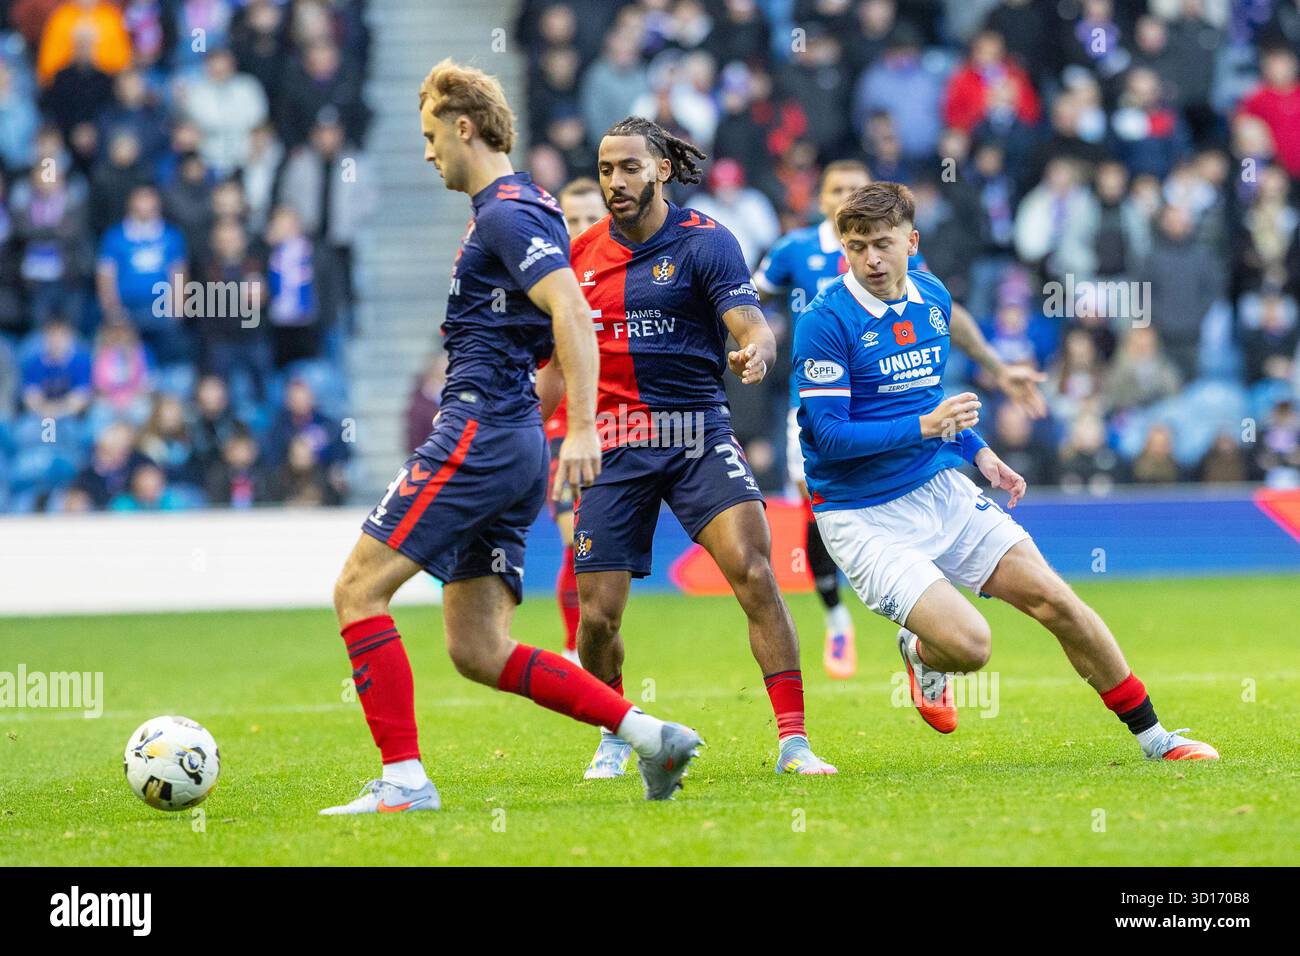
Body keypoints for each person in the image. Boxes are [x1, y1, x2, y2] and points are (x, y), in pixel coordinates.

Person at [322, 62, 701, 815]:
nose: (427, 152)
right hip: (509, 436)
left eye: (431, 136)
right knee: (477, 649)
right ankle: (647, 733)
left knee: (358, 591)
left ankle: (403, 781)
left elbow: (572, 313)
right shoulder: (525, 205)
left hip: (481, 431)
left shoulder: (505, 212)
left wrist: (584, 428)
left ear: (465, 127)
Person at [791, 181, 1218, 762]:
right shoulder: (824, 321)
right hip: (861, 514)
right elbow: (831, 439)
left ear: (911, 243)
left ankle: (1155, 738)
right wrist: (928, 428)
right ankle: (920, 652)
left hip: (939, 487)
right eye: (857, 245)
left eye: (882, 244)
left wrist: (980, 452)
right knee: (971, 646)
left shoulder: (932, 299)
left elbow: (927, 399)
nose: (869, 258)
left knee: (1057, 601)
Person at [541, 116, 837, 780]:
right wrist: (510, 431)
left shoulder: (707, 242)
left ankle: (794, 742)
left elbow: (750, 321)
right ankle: (618, 728)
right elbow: (559, 368)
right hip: (614, 446)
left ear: (661, 170)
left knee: (754, 568)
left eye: (629, 168)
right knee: (596, 614)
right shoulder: (581, 257)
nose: (616, 181)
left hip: (697, 432)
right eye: (606, 169)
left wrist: (757, 351)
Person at [754, 159, 1046, 679]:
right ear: (824, 202)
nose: (870, 254)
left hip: (896, 403)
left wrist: (997, 370)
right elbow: (748, 300)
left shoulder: (894, 248)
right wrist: (747, 346)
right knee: (813, 505)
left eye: (855, 188)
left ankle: (920, 607)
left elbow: (945, 313)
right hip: (822, 404)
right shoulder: (794, 250)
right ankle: (837, 616)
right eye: (837, 190)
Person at [546, 177, 606, 663]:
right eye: (573, 220)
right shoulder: (544, 280)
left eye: (592, 218)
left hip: (611, 423)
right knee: (576, 538)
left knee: (595, 546)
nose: (582, 228)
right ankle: (572, 647)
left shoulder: (619, 273)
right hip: (559, 429)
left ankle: (586, 644)